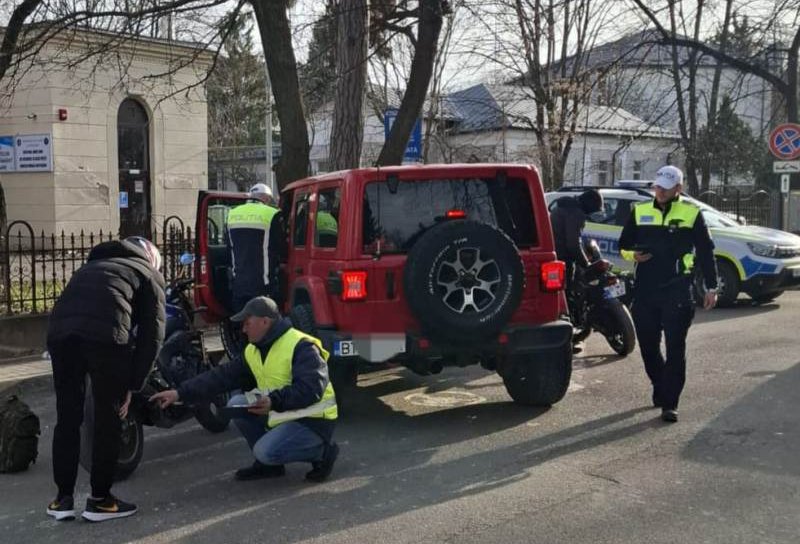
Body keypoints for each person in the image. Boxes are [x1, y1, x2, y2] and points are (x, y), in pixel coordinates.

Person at [149, 296, 339, 483]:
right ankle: (269, 467)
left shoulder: (302, 346)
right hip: (283, 411)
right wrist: (179, 393)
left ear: (265, 322)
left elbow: (311, 389)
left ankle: (323, 453)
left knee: (265, 452)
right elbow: (220, 377)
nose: (243, 329)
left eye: (247, 323)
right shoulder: (254, 350)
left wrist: (273, 401)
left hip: (312, 420)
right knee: (237, 403)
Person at [45, 236, 166, 522]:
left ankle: (62, 500)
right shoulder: (148, 273)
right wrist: (133, 385)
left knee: (68, 417)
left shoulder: (89, 267)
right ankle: (100, 501)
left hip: (60, 336)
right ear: (152, 259)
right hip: (106, 338)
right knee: (107, 417)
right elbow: (152, 337)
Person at [618, 165, 718, 423]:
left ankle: (670, 403)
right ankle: (660, 384)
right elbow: (623, 245)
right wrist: (632, 255)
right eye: (658, 186)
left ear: (678, 188)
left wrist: (711, 286)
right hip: (646, 289)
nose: (660, 191)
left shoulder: (691, 213)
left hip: (678, 289)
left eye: (666, 187)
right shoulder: (640, 211)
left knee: (675, 348)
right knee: (648, 346)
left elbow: (706, 251)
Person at [549, 189, 604, 352]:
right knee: (567, 298)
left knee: (561, 297)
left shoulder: (563, 207)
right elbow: (573, 244)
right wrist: (586, 264)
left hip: (553, 256)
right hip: (563, 259)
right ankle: (566, 341)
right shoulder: (576, 213)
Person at [227, 183, 287, 312]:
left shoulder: (232, 213)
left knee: (241, 318)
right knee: (263, 319)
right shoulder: (272, 213)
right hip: (262, 282)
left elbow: (229, 245)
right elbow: (280, 244)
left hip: (239, 281)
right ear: (266, 198)